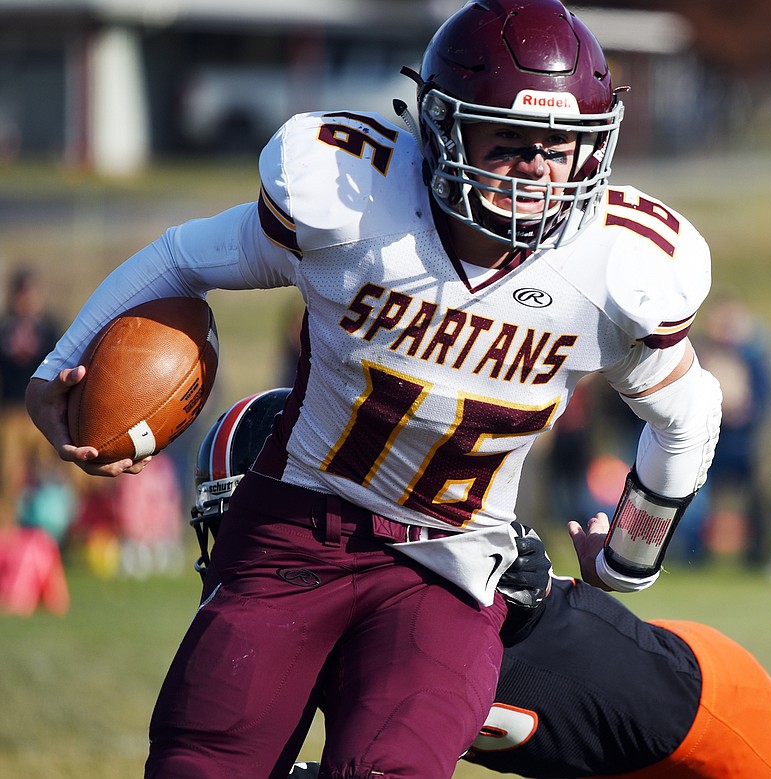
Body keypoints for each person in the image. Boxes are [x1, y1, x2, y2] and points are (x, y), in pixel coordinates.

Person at [24, 3, 722, 777]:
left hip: (449, 565)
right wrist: (59, 368)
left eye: (559, 148)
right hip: (292, 531)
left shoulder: (610, 273)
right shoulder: (357, 207)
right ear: (444, 130)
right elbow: (182, 257)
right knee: (201, 762)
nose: (538, 171)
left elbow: (690, 418)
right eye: (511, 144)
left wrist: (628, 554)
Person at [191, 388, 771, 779]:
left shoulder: (437, 569)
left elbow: (499, 574)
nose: (236, 549)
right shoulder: (300, 631)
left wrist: (522, 579)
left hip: (693, 710)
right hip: (602, 756)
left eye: (246, 521)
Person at [690, 286, 771, 566]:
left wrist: (747, 412)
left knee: (758, 496)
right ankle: (693, 554)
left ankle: (760, 554)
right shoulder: (696, 352)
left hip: (742, 443)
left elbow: (769, 396)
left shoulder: (753, 355)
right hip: (706, 442)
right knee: (695, 499)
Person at [0, 266, 64, 531]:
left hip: (42, 411)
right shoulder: (5, 329)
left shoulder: (49, 328)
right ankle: (7, 531)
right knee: (9, 477)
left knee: (53, 474)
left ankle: (58, 530)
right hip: (12, 412)